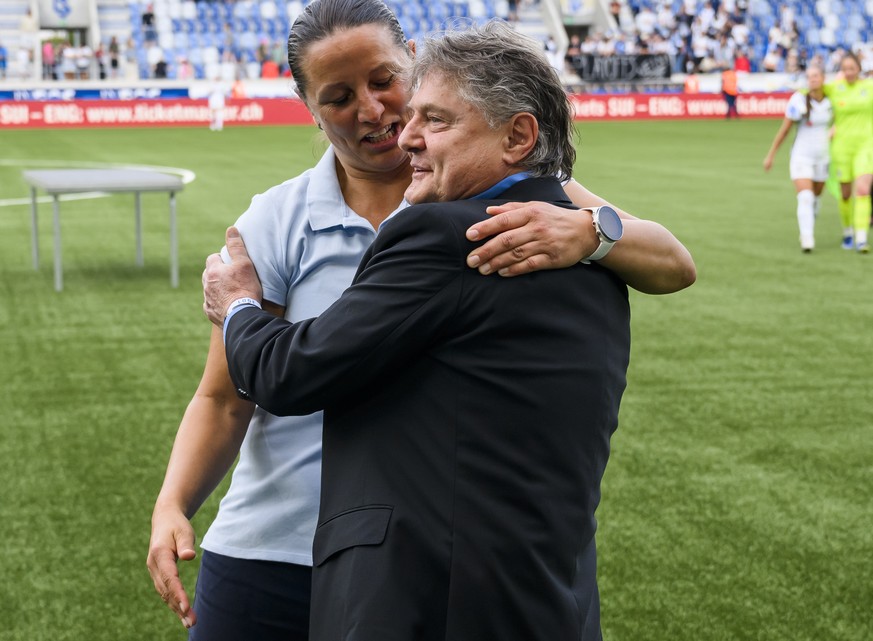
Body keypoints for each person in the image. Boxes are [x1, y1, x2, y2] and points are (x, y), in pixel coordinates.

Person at [146, 1, 696, 638]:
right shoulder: (277, 219)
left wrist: (593, 232)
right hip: (277, 545)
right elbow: (224, 395)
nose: (375, 110)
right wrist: (173, 503)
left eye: (385, 81)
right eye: (339, 96)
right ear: (310, 109)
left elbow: (675, 264)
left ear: (413, 63)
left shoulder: (528, 196)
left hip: (416, 556)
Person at [763, 65, 832, 252]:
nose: (813, 79)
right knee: (806, 197)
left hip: (823, 157)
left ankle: (808, 226)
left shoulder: (832, 100)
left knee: (816, 197)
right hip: (802, 155)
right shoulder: (799, 100)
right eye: (809, 76)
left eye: (816, 75)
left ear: (823, 78)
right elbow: (785, 130)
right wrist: (771, 155)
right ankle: (807, 238)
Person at [824, 51, 873, 252]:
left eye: (852, 68)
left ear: (859, 69)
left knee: (862, 190)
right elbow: (812, 91)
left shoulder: (869, 87)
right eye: (845, 69)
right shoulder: (835, 88)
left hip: (866, 145)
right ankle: (847, 232)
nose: (849, 72)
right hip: (842, 146)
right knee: (845, 193)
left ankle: (862, 238)